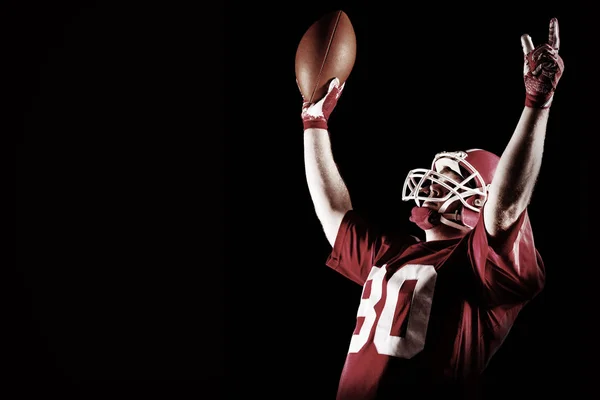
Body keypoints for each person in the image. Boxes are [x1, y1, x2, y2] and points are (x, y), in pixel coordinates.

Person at [300, 17, 564, 399]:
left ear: (479, 198)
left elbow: (505, 207)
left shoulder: (477, 260)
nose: (431, 182)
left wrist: (536, 104)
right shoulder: (392, 254)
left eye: (449, 175)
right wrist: (314, 121)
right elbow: (332, 209)